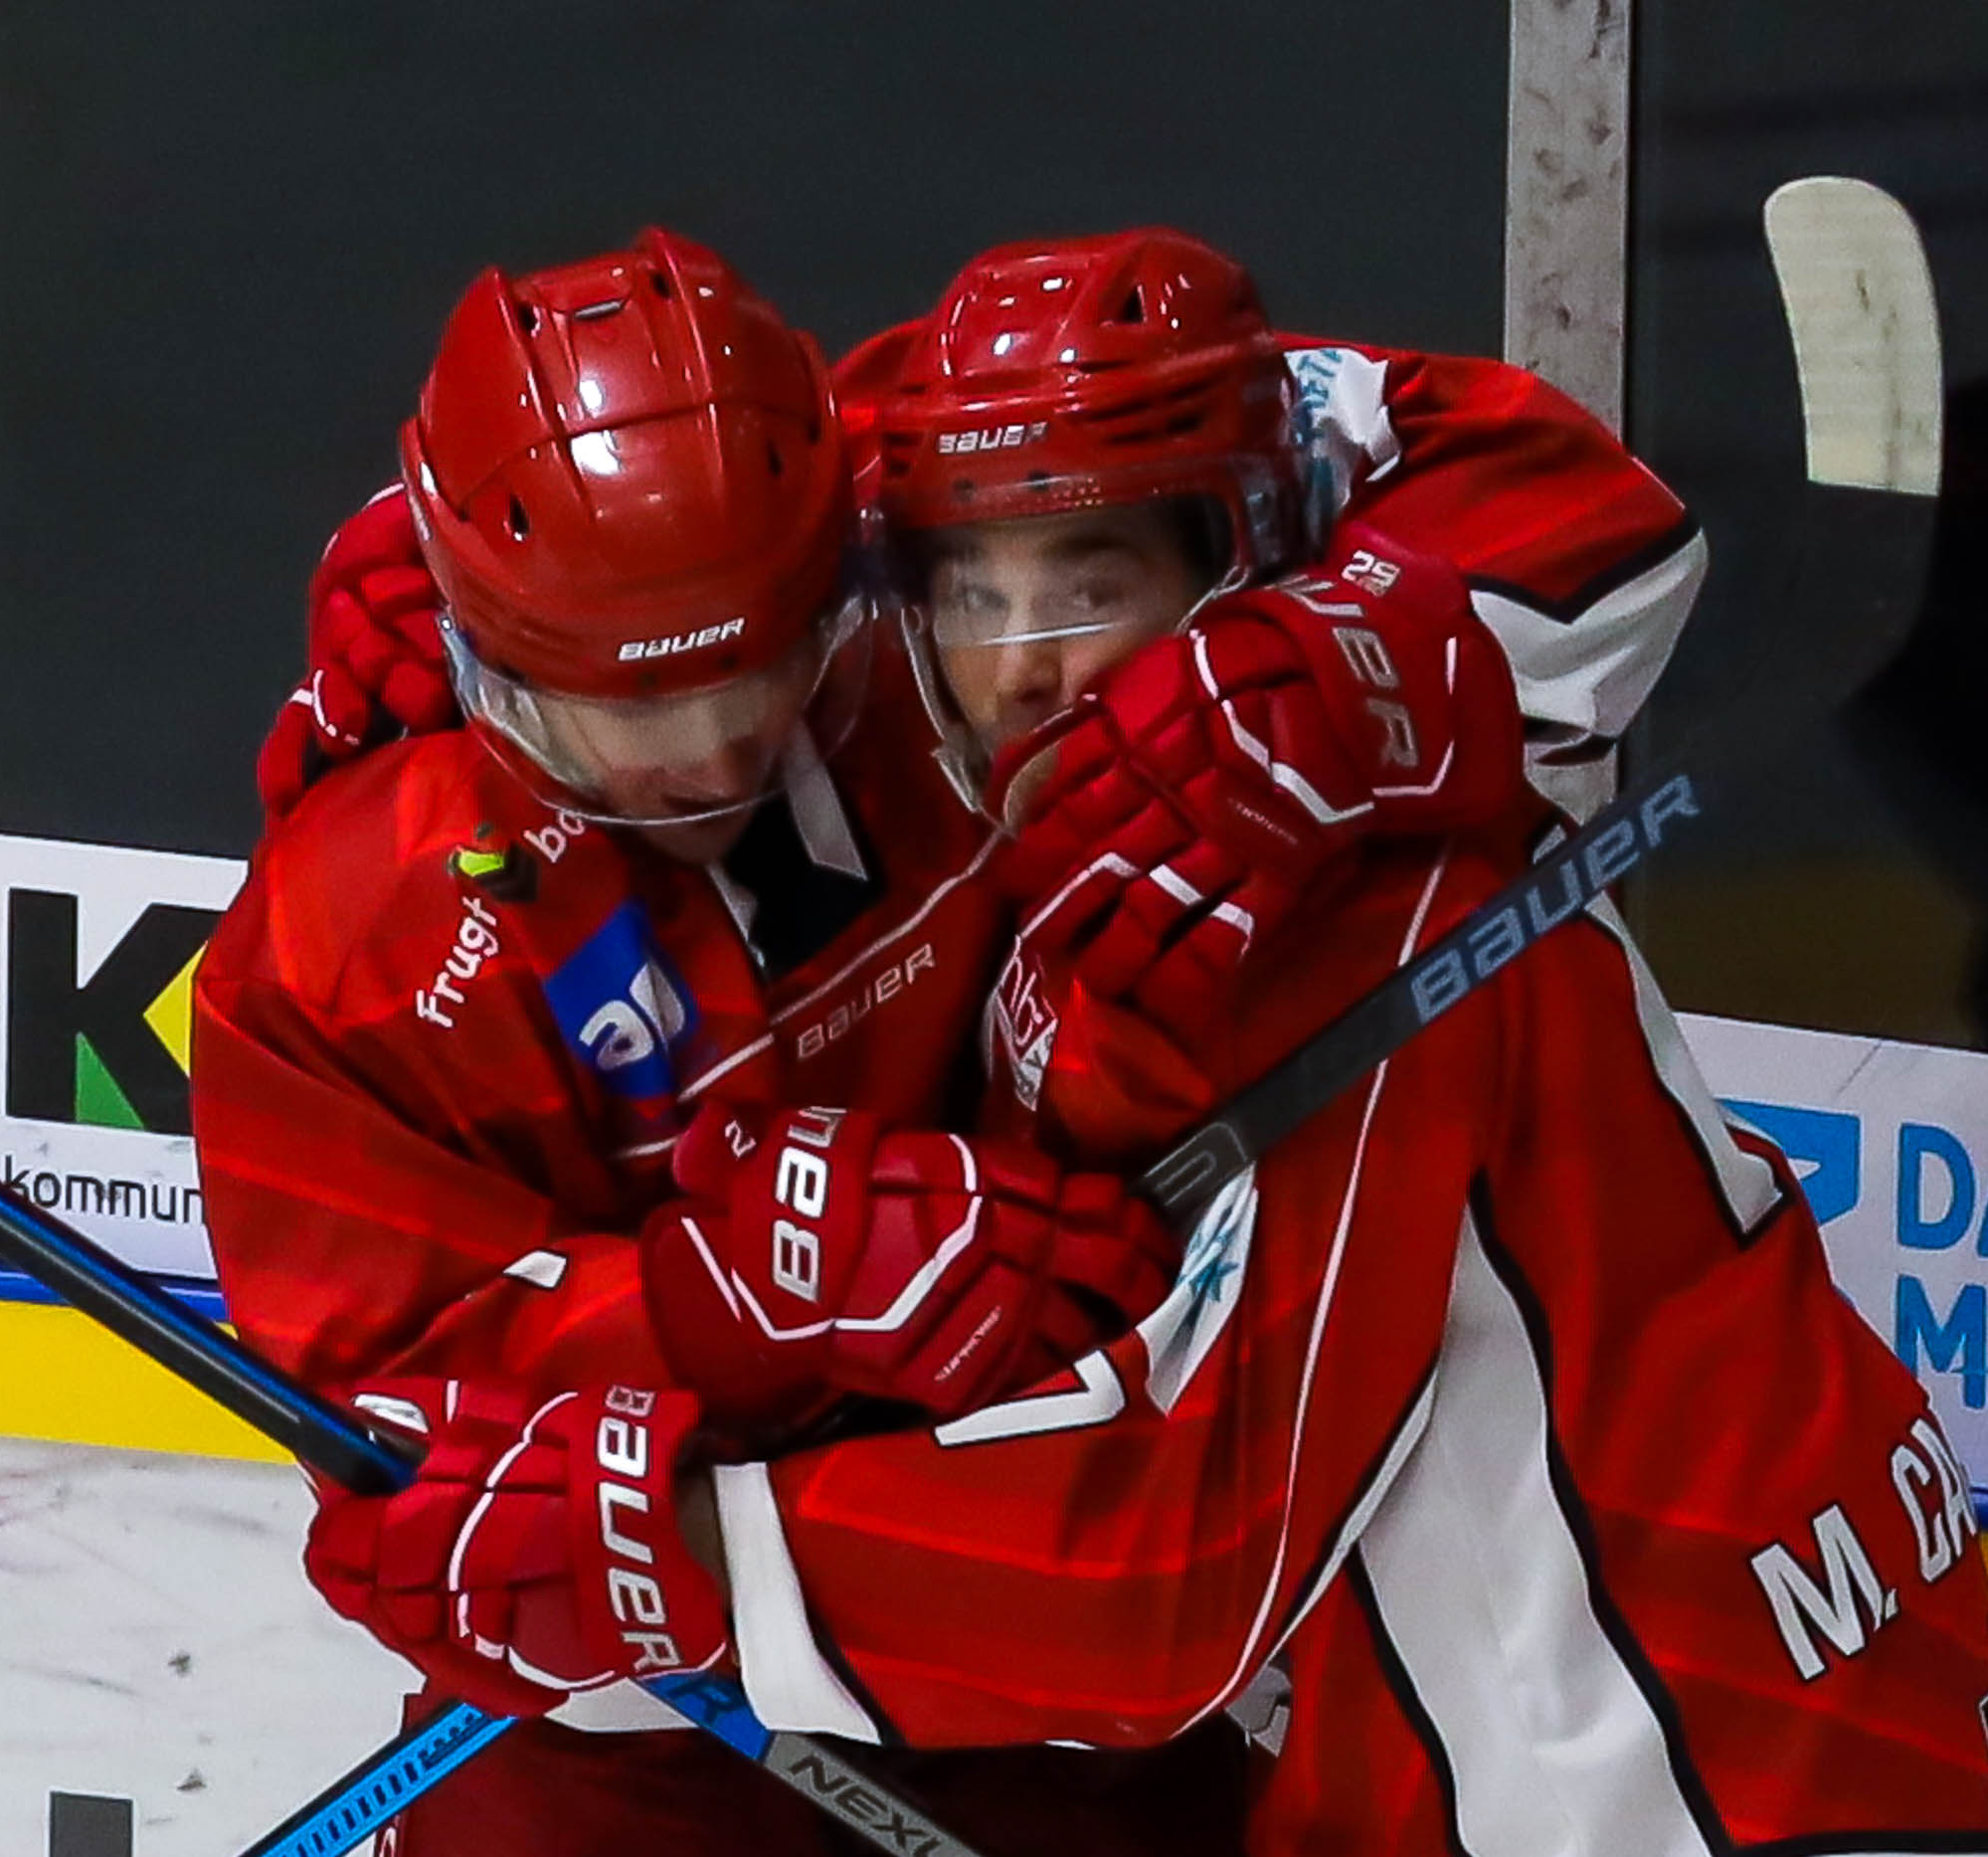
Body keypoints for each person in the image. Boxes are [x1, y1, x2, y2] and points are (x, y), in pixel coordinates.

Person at [307, 233, 1988, 1856]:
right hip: (1710, 1705)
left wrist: (677, 1555)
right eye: (972, 595)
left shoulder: (1343, 888)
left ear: (1246, 556)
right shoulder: (1313, 771)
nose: (1030, 668)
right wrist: (594, 522)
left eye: (1091, 579)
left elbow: (1177, 1566)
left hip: (1707, 1783)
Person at [196, 229, 1530, 1857]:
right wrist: (727, 1303)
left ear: (839, 560)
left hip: (1031, 1634)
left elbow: (1360, 445)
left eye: (759, 673)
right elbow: (396, 1450)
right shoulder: (350, 940)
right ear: (487, 655)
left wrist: (1356, 667)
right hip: (643, 1711)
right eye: (619, 714)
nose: (706, 763)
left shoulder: (954, 648)